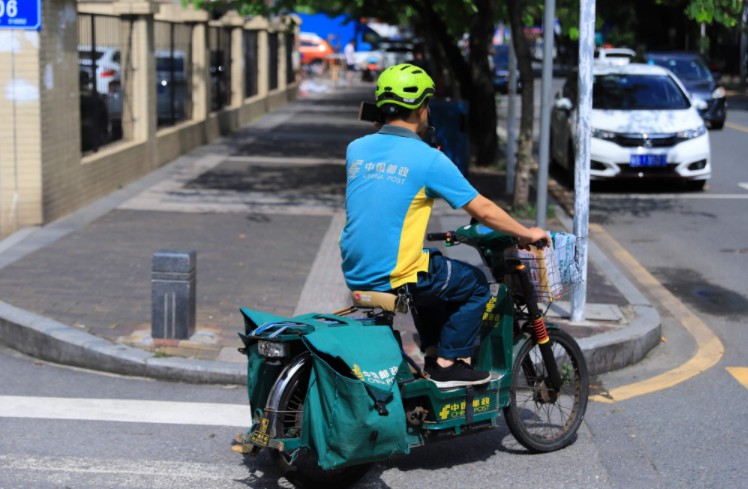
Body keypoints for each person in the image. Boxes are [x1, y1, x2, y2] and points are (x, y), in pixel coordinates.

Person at [339, 63, 550, 389]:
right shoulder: (429, 159)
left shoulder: (357, 149)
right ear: (424, 109)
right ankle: (448, 362)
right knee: (475, 284)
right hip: (395, 272)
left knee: (435, 270)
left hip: (356, 269)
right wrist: (526, 233)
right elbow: (483, 209)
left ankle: (433, 352)